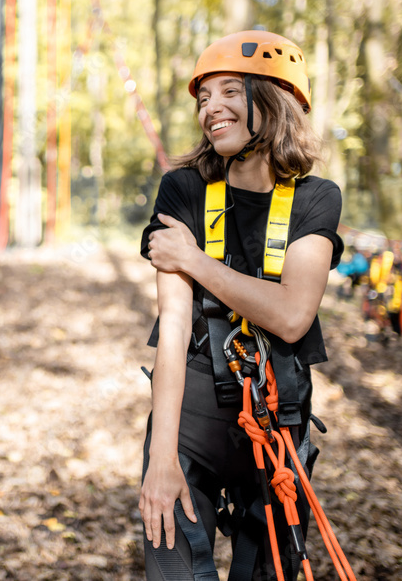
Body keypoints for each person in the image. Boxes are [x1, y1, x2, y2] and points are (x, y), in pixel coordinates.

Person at [138, 30, 344, 580]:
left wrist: (196, 260)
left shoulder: (315, 198)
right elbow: (175, 328)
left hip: (277, 419)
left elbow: (292, 315)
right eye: (204, 97)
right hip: (191, 416)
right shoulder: (182, 189)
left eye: (230, 91)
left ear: (273, 100)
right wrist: (162, 462)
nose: (212, 108)